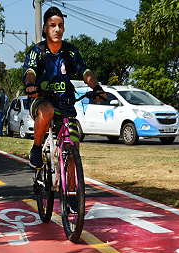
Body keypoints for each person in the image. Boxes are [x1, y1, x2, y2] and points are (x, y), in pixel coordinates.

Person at [22, 6, 106, 169]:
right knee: (47, 111)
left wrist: (97, 88)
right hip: (41, 100)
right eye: (52, 25)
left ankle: (73, 193)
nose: (57, 29)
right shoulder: (37, 51)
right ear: (45, 29)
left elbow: (85, 71)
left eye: (60, 25)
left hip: (65, 104)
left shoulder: (71, 52)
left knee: (74, 147)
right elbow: (30, 71)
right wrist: (30, 85)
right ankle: (37, 148)